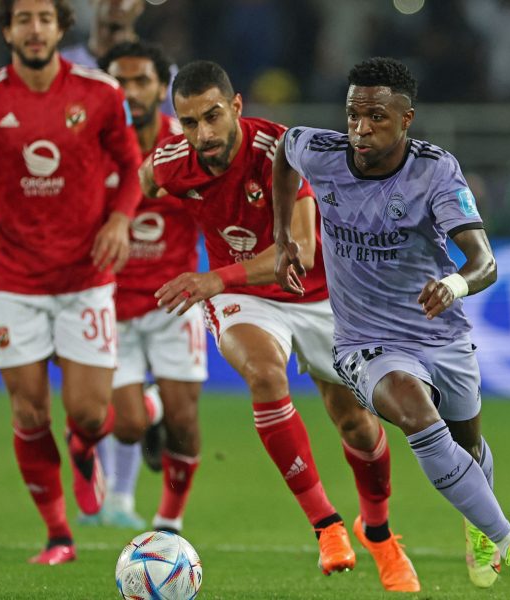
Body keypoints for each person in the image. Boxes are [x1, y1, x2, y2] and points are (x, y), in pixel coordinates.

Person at [273, 57, 510, 593]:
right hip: (365, 340)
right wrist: (285, 232)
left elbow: (484, 262)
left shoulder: (435, 172)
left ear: (406, 120)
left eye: (376, 117)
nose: (360, 128)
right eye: (353, 114)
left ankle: (477, 525)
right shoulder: (322, 152)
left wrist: (453, 285)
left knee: (468, 446)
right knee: (416, 415)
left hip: (440, 333)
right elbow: (285, 153)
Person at [141, 60, 420, 593]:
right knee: (266, 375)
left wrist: (211, 277)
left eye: (213, 117)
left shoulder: (281, 152)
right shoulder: (175, 160)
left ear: (237, 107)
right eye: (189, 122)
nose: (202, 134)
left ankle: (378, 533)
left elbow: (302, 253)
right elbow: (142, 184)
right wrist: (117, 227)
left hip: (318, 294)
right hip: (244, 297)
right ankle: (326, 524)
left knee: (357, 425)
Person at [0, 0, 143, 565]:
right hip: (14, 280)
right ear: (7, 30)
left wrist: (120, 219)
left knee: (92, 414)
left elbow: (131, 168)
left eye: (45, 18)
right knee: (27, 413)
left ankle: (84, 448)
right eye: (24, 19)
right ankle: (58, 535)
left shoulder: (99, 93)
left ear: (60, 27)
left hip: (85, 276)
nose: (35, 28)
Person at [88, 40, 206, 534]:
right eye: (119, 80)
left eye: (141, 81)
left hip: (173, 304)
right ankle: (145, 411)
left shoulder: (189, 144)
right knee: (130, 422)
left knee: (183, 422)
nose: (130, 90)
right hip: (110, 305)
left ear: (162, 87)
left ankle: (169, 522)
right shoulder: (88, 146)